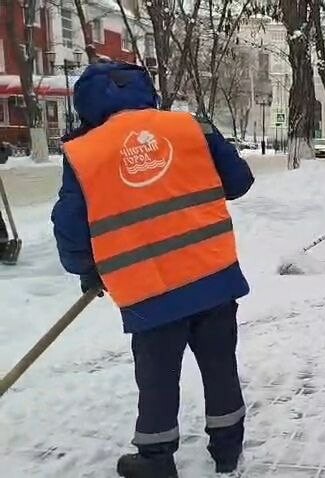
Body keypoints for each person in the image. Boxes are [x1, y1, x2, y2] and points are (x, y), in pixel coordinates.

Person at [51, 61, 255, 478]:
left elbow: (69, 226)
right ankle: (228, 450)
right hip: (213, 277)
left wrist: (87, 270)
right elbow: (238, 181)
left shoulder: (85, 151)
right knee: (220, 366)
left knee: (158, 377)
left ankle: (156, 458)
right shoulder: (192, 128)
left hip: (149, 291)